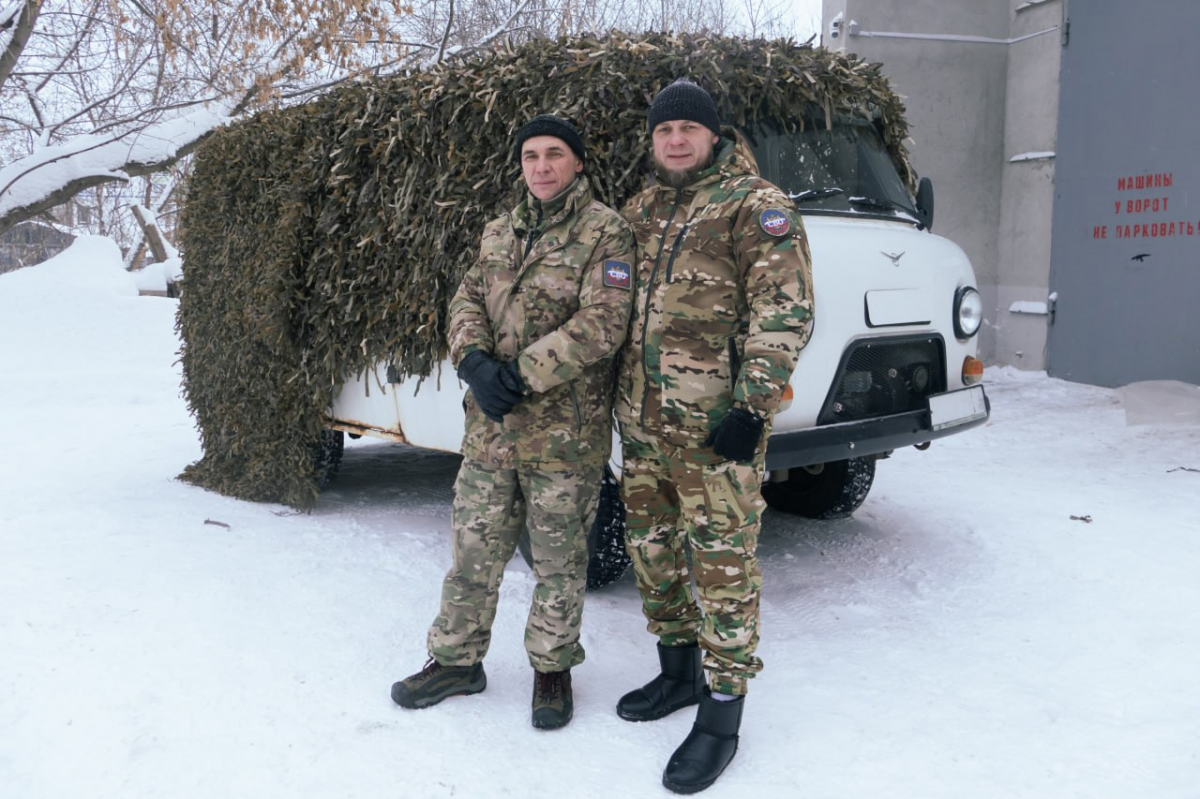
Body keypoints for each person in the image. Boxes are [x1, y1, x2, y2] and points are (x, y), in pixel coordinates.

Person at [390, 114, 634, 730]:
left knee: (558, 561)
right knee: (473, 553)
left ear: (578, 163)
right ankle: (456, 661)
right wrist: (472, 361)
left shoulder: (606, 233)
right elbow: (466, 297)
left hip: (564, 437)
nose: (542, 166)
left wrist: (519, 375)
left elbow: (603, 323)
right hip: (491, 432)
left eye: (555, 154)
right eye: (531, 156)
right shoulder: (500, 230)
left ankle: (552, 670)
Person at [614, 79, 815, 792]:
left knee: (723, 569)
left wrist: (752, 406)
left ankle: (722, 715)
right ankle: (678, 673)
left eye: (687, 129)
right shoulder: (639, 210)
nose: (674, 140)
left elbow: (784, 311)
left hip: (716, 432)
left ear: (712, 134)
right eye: (664, 130)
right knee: (654, 552)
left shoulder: (756, 205)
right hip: (641, 425)